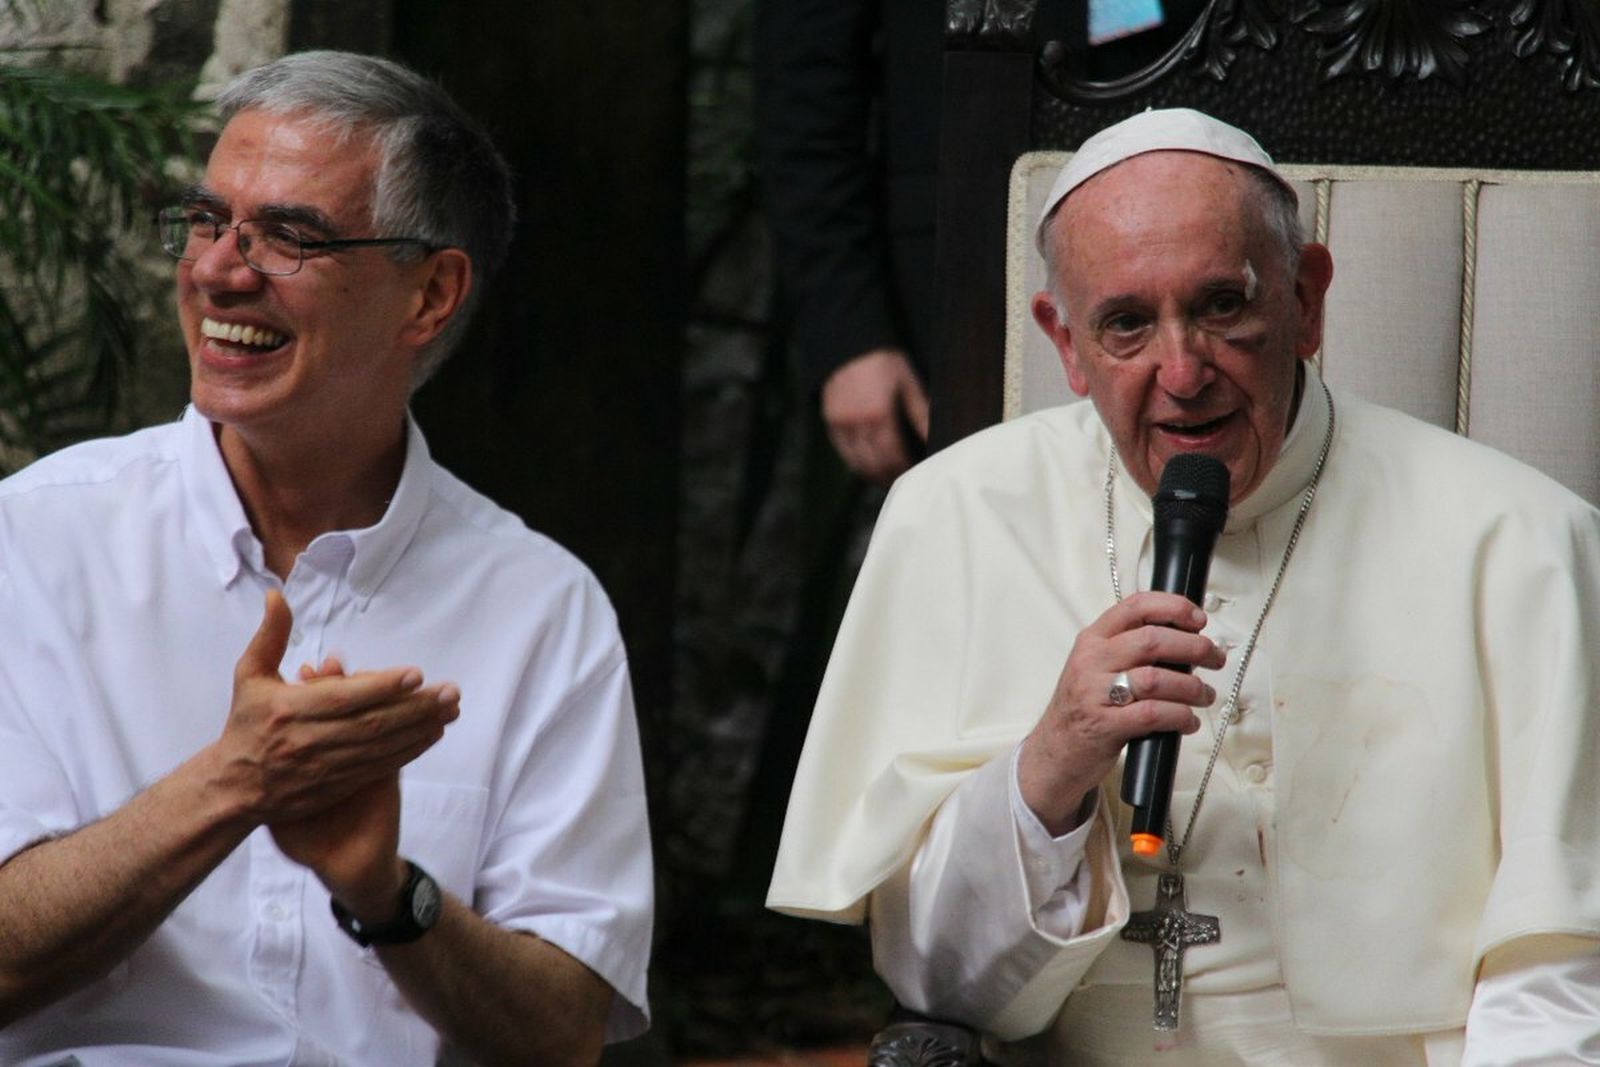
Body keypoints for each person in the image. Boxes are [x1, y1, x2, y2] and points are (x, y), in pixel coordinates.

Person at [768, 108, 1600, 1063]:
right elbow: (940, 985)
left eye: (1221, 306)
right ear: (1066, 343)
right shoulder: (951, 516)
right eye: (1126, 323)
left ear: (1307, 299)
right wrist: (1052, 763)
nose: (1182, 371)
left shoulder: (1524, 543)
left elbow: (1560, 983)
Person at [0, 50, 651, 1064]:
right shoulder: (34, 539)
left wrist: (387, 893)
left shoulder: (542, 605)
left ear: (429, 295)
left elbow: (563, 1031)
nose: (218, 267)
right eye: (208, 220)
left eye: (289, 237)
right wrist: (233, 783)